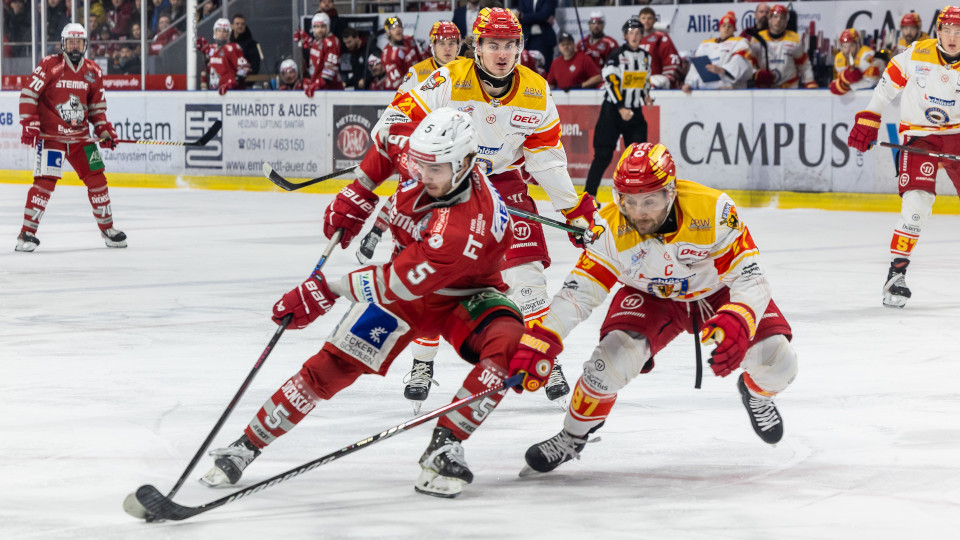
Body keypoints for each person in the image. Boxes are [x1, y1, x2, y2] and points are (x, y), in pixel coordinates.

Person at [199, 108, 558, 499]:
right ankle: (246, 445)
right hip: (411, 289)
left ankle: (444, 445)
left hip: (463, 297)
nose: (424, 175)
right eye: (421, 165)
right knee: (331, 365)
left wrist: (326, 289)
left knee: (508, 343)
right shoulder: (423, 155)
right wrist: (359, 192)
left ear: (467, 164)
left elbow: (395, 284)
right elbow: (386, 144)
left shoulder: (461, 230)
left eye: (435, 169)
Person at [373, 8, 605, 410]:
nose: (502, 53)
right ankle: (423, 364)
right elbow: (398, 116)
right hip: (449, 184)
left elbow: (547, 160)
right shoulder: (448, 79)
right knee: (432, 275)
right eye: (493, 44)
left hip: (503, 183)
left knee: (527, 277)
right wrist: (394, 136)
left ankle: (541, 355)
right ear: (476, 47)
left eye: (510, 45)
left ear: (520, 47)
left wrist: (573, 210)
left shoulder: (535, 91)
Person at [522, 142, 799, 475]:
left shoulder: (712, 209)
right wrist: (545, 335)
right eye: (630, 201)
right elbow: (579, 292)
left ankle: (757, 395)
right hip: (650, 296)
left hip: (717, 292)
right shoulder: (609, 226)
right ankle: (571, 436)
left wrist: (741, 314)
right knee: (605, 365)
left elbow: (749, 276)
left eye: (649, 201)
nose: (639, 213)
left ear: (670, 193)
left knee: (779, 362)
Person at [847, 6, 960, 308]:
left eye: (958, 32)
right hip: (919, 135)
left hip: (958, 135)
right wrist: (870, 116)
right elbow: (886, 86)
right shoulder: (916, 54)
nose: (952, 37)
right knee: (916, 204)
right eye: (947, 30)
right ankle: (896, 275)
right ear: (937, 32)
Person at [15, 23, 126, 252]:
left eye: (79, 41)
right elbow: (28, 95)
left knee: (98, 180)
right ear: (63, 44)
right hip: (52, 138)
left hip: (81, 140)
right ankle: (26, 234)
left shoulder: (93, 71)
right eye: (71, 41)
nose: (75, 45)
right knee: (44, 183)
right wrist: (30, 123)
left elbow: (97, 110)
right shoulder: (50, 65)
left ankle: (108, 229)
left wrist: (105, 132)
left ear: (85, 44)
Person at [583, 18, 653, 198]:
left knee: (638, 155)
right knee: (603, 155)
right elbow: (612, 81)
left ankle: (636, 195)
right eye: (631, 32)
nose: (635, 36)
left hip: (634, 111)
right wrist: (621, 107)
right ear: (625, 35)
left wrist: (646, 96)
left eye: (638, 33)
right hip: (613, 111)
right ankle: (589, 197)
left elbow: (644, 81)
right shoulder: (616, 55)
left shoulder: (646, 57)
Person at [682, 11, 755, 93]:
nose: (726, 28)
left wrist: (722, 70)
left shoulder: (740, 42)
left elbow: (741, 60)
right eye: (724, 26)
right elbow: (696, 66)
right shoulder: (705, 44)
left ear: (734, 29)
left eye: (730, 26)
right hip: (704, 89)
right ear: (719, 28)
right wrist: (689, 83)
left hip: (728, 88)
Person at [751, 4, 817, 89]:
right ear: (769, 19)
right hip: (764, 89)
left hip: (789, 88)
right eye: (775, 17)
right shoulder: (757, 38)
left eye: (782, 18)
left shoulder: (795, 38)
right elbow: (749, 63)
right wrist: (756, 74)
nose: (778, 20)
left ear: (786, 21)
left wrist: (809, 81)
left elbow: (804, 64)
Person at [396, 21, 462, 95]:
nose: (447, 48)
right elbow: (399, 104)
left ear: (458, 46)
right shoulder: (415, 73)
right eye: (442, 43)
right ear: (434, 46)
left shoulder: (471, 69)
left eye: (451, 43)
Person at [196, 18, 250, 95]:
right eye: (219, 30)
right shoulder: (212, 48)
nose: (221, 33)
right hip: (214, 91)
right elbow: (208, 69)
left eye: (225, 31)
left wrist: (232, 83)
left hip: (231, 93)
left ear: (229, 33)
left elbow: (245, 67)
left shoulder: (232, 48)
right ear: (215, 32)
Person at [296, 12, 343, 96]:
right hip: (319, 88)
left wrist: (316, 84)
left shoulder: (331, 42)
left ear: (328, 27)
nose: (319, 30)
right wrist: (305, 38)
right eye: (316, 27)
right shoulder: (317, 41)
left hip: (330, 90)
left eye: (322, 27)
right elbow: (317, 50)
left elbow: (330, 70)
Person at [828, 29, 882, 96]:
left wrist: (847, 86)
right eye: (844, 46)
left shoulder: (868, 55)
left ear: (858, 44)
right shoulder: (839, 58)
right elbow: (837, 82)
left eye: (851, 46)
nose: (847, 51)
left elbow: (871, 83)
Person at [637, 7, 681, 89]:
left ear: (655, 20)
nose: (646, 21)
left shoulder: (661, 37)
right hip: (635, 83)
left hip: (654, 84)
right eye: (643, 18)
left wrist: (666, 79)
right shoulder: (633, 38)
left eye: (649, 18)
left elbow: (671, 59)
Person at [381, 17, 424, 91]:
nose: (398, 29)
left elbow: (420, 60)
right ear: (388, 32)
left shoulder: (409, 40)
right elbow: (398, 85)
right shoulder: (388, 56)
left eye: (399, 26)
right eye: (394, 28)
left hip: (421, 84)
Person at [517, 0, 558, 68]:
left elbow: (544, 15)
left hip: (544, 39)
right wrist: (539, 17)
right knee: (528, 67)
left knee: (544, 68)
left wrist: (524, 16)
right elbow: (519, 17)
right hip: (528, 40)